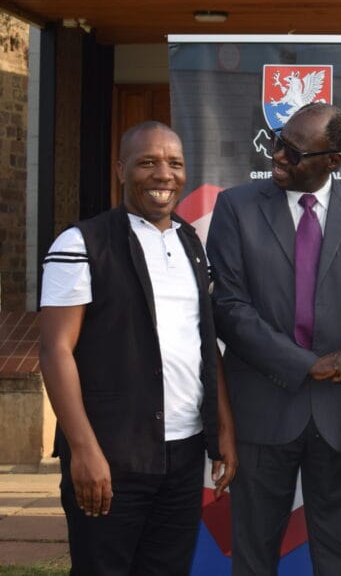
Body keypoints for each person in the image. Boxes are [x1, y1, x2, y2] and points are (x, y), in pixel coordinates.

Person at [38, 121, 237, 574]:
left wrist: (223, 427)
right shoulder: (79, 243)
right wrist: (84, 450)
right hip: (110, 453)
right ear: (120, 169)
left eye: (174, 163)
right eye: (148, 162)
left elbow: (205, 342)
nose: (163, 174)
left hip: (184, 453)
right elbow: (55, 352)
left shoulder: (192, 243)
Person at [207, 102, 341, 575]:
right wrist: (304, 363)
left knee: (340, 560)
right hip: (262, 410)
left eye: (293, 150)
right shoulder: (236, 206)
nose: (279, 156)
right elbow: (229, 308)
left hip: (338, 417)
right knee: (252, 558)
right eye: (278, 142)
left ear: (333, 160)